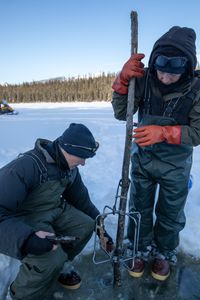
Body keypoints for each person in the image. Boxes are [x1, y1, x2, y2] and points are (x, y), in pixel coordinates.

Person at [111, 26, 200, 281]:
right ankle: (138, 247)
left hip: (176, 165)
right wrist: (122, 82)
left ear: (187, 67)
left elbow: (197, 132)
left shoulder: (197, 89)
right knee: (139, 205)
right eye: (160, 71)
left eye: (172, 74)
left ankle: (164, 252)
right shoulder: (144, 78)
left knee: (171, 211)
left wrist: (164, 133)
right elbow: (121, 113)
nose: (165, 78)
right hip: (143, 161)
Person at [0, 123, 113, 299]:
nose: (83, 163)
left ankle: (60, 267)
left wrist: (100, 227)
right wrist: (27, 239)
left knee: (85, 225)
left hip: (53, 209)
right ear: (66, 149)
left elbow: (82, 201)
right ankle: (20, 295)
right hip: (24, 217)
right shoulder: (26, 166)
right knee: (49, 257)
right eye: (82, 157)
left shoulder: (70, 169)